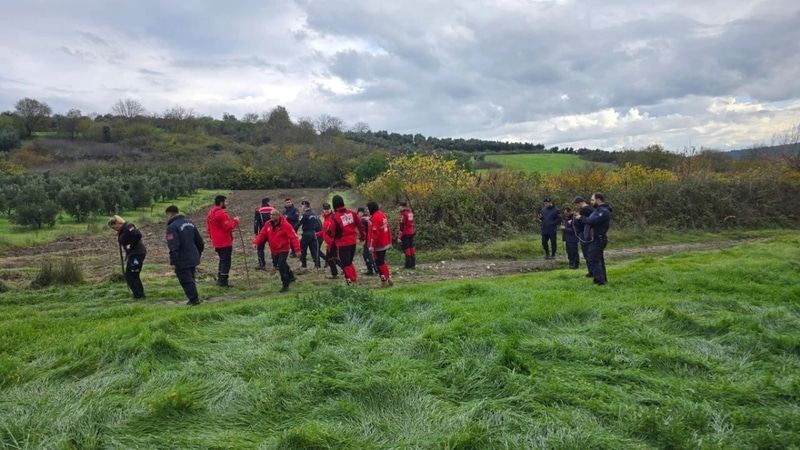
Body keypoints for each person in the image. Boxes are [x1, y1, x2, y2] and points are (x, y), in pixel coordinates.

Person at [165, 205, 205, 306]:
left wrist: (173, 261)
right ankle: (194, 298)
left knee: (186, 279)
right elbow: (200, 242)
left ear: (169, 214)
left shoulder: (172, 227)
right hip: (193, 256)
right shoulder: (190, 223)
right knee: (191, 278)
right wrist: (198, 254)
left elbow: (173, 246)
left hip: (182, 258)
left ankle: (194, 300)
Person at [253, 209, 300, 292]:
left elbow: (293, 237)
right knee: (281, 263)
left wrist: (297, 249)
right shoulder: (268, 224)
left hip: (283, 248)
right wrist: (256, 242)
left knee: (281, 265)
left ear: (278, 215)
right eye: (270, 215)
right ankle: (291, 276)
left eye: (273, 215)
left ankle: (285, 284)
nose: (271, 216)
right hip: (274, 249)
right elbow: (262, 234)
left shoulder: (285, 225)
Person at [574, 193, 613, 286]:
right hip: (594, 239)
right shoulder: (597, 210)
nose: (591, 202)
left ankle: (599, 282)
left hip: (598, 239)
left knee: (592, 260)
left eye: (592, 200)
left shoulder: (604, 211)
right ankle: (603, 279)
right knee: (598, 260)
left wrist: (581, 217)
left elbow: (592, 221)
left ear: (598, 200)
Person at [328, 194, 366, 284]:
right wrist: (362, 236)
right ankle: (354, 278)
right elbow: (360, 226)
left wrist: (329, 238)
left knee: (345, 263)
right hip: (353, 241)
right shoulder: (352, 213)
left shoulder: (335, 217)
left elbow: (331, 232)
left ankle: (350, 280)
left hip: (342, 243)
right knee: (349, 261)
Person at [107, 215, 147, 299]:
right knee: (132, 275)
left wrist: (131, 246)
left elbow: (138, 234)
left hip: (137, 253)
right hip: (134, 254)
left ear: (117, 223)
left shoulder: (129, 226)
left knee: (131, 275)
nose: (115, 230)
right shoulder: (124, 229)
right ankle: (139, 294)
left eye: (114, 228)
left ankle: (139, 295)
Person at [206, 195, 240, 288]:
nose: (226, 203)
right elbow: (227, 227)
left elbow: (208, 228)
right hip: (225, 241)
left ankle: (220, 279)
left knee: (222, 260)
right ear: (221, 203)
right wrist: (236, 221)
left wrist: (212, 238)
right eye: (225, 201)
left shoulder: (210, 213)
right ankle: (223, 282)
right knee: (226, 262)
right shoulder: (222, 214)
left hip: (216, 242)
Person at [367, 201, 393, 287]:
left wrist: (371, 246)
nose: (367, 210)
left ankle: (384, 281)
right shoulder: (381, 214)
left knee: (379, 263)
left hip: (379, 244)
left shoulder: (375, 217)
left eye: (368, 208)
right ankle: (388, 278)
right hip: (384, 242)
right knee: (382, 261)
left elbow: (375, 233)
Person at [573, 196, 595, 278]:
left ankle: (591, 272)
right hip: (589, 233)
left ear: (579, 203)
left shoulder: (585, 210)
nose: (576, 207)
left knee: (587, 253)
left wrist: (577, 219)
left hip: (585, 233)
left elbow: (583, 222)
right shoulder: (591, 209)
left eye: (576, 205)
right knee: (590, 253)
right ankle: (592, 271)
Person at [297, 200, 321, 269]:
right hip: (313, 233)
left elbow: (299, 223)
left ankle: (304, 264)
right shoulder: (314, 214)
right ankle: (317, 265)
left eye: (302, 206)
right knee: (314, 249)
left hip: (306, 234)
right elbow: (318, 224)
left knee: (303, 249)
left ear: (304, 206)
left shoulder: (305, 215)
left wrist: (294, 230)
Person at [253, 197, 275, 271]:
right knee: (273, 247)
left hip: (263, 231)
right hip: (272, 231)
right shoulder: (273, 209)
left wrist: (256, 232)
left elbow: (256, 222)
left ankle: (262, 264)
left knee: (260, 248)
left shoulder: (258, 210)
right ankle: (275, 263)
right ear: (268, 202)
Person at [318, 202, 338, 278]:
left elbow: (332, 230)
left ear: (330, 209)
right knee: (331, 258)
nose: (326, 210)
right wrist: (318, 234)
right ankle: (336, 273)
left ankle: (339, 272)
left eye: (327, 209)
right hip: (329, 242)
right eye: (325, 209)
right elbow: (324, 230)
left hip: (332, 241)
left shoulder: (332, 218)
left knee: (332, 258)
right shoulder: (326, 218)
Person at [357, 207, 378, 276]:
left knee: (366, 254)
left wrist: (361, 239)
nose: (358, 215)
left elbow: (363, 231)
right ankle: (373, 269)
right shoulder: (368, 218)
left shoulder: (362, 220)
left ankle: (372, 269)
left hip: (367, 239)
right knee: (368, 254)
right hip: (371, 238)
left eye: (358, 213)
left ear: (360, 212)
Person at [397, 201, 416, 269]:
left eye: (399, 207)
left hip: (405, 234)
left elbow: (402, 227)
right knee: (411, 248)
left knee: (406, 249)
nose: (399, 208)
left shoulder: (403, 214)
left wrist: (399, 237)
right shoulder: (410, 213)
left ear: (402, 207)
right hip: (411, 233)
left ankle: (408, 265)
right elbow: (411, 224)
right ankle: (413, 264)